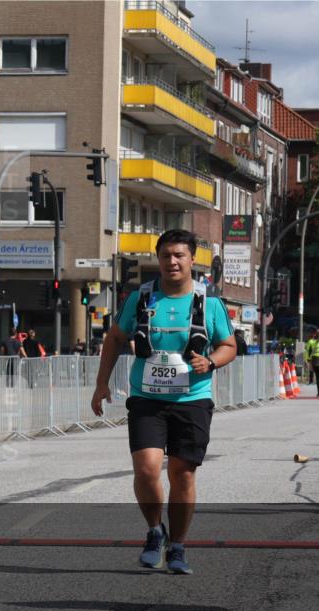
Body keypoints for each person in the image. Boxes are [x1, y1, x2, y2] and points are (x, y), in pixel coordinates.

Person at [90, 230, 236, 575]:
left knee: (182, 474)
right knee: (147, 469)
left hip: (192, 399)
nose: (172, 261)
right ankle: (155, 531)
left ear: (191, 260)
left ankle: (179, 546)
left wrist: (211, 361)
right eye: (166, 255)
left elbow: (229, 345)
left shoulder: (209, 302)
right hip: (147, 398)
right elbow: (114, 338)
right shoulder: (140, 298)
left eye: (179, 255)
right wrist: (101, 384)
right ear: (158, 259)